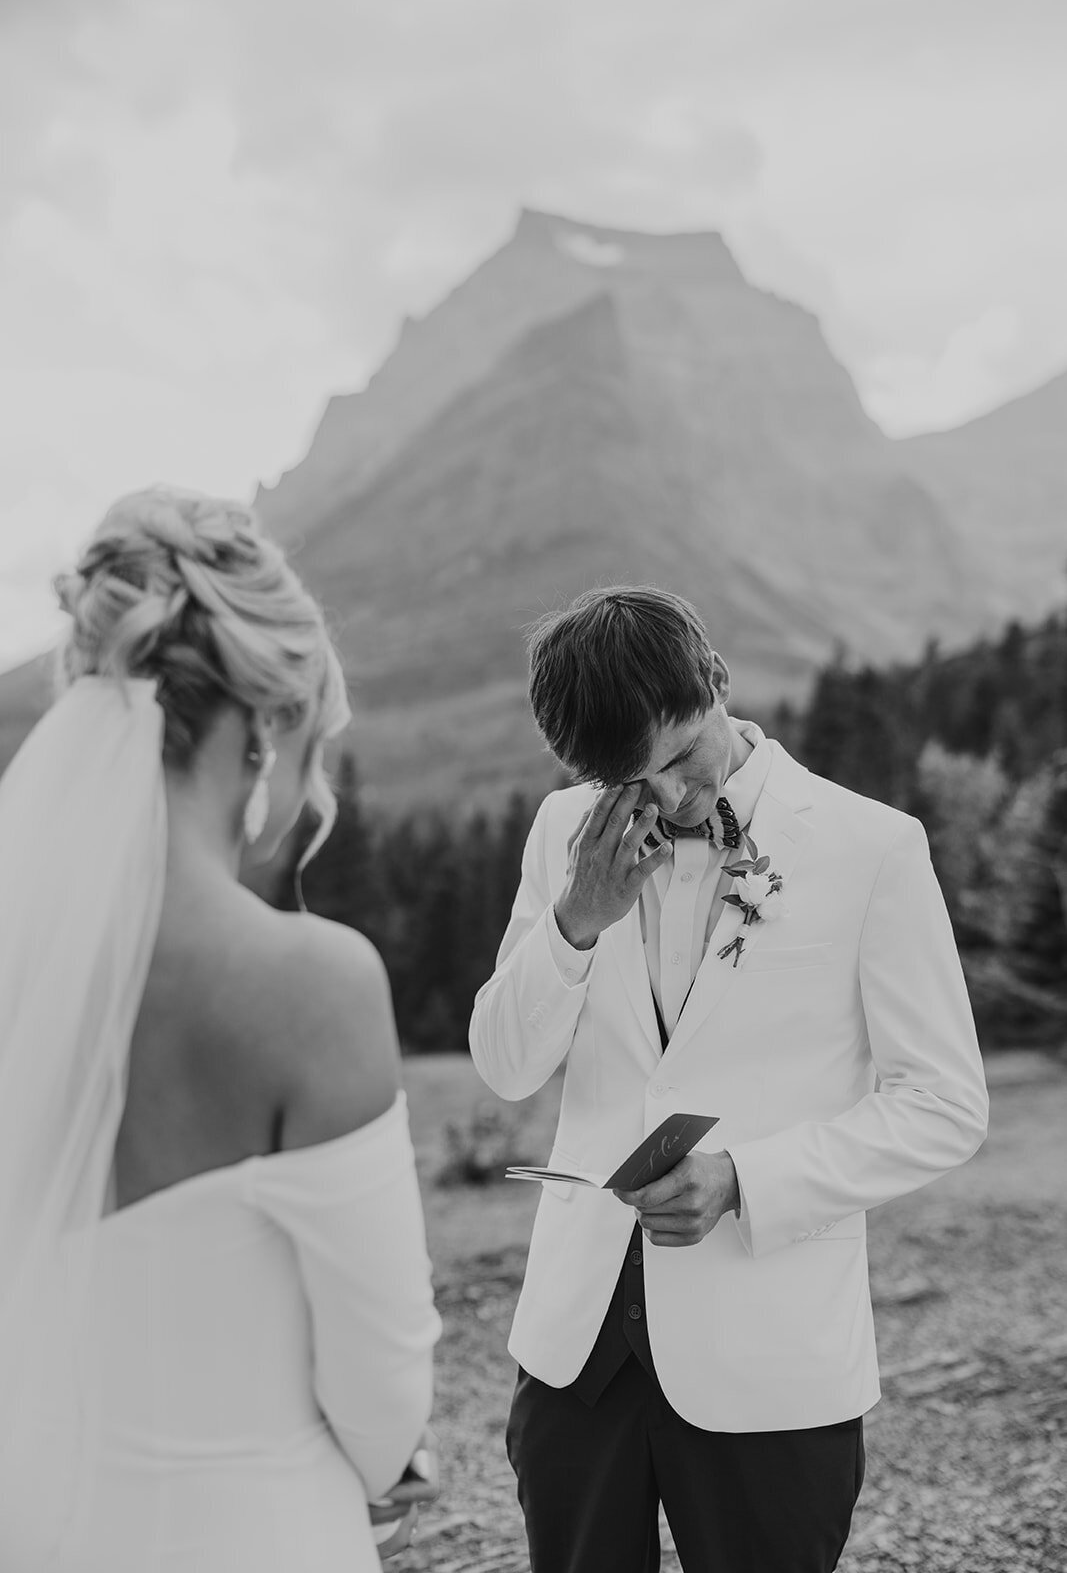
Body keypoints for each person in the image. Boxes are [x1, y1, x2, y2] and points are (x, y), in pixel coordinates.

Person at [470, 585, 989, 1573]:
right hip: (576, 1357)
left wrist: (745, 1181)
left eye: (674, 760)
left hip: (769, 1361)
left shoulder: (869, 847)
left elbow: (943, 1103)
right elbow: (504, 1062)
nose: (662, 799)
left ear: (714, 682)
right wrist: (574, 921)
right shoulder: (559, 834)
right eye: (629, 781)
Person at [0, 486, 441, 1571]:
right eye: (314, 743)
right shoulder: (309, 982)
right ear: (264, 725)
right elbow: (384, 1398)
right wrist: (388, 1462)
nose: (312, 786)